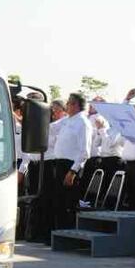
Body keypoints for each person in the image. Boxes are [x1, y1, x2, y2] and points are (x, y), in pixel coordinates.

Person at [42, 93, 93, 241]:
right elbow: (50, 128)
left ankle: (69, 237)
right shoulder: (67, 120)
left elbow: (85, 152)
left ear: (76, 105)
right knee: (58, 202)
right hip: (59, 163)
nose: (67, 106)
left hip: (71, 166)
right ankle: (59, 235)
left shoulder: (83, 122)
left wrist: (73, 171)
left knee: (68, 203)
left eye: (69, 103)